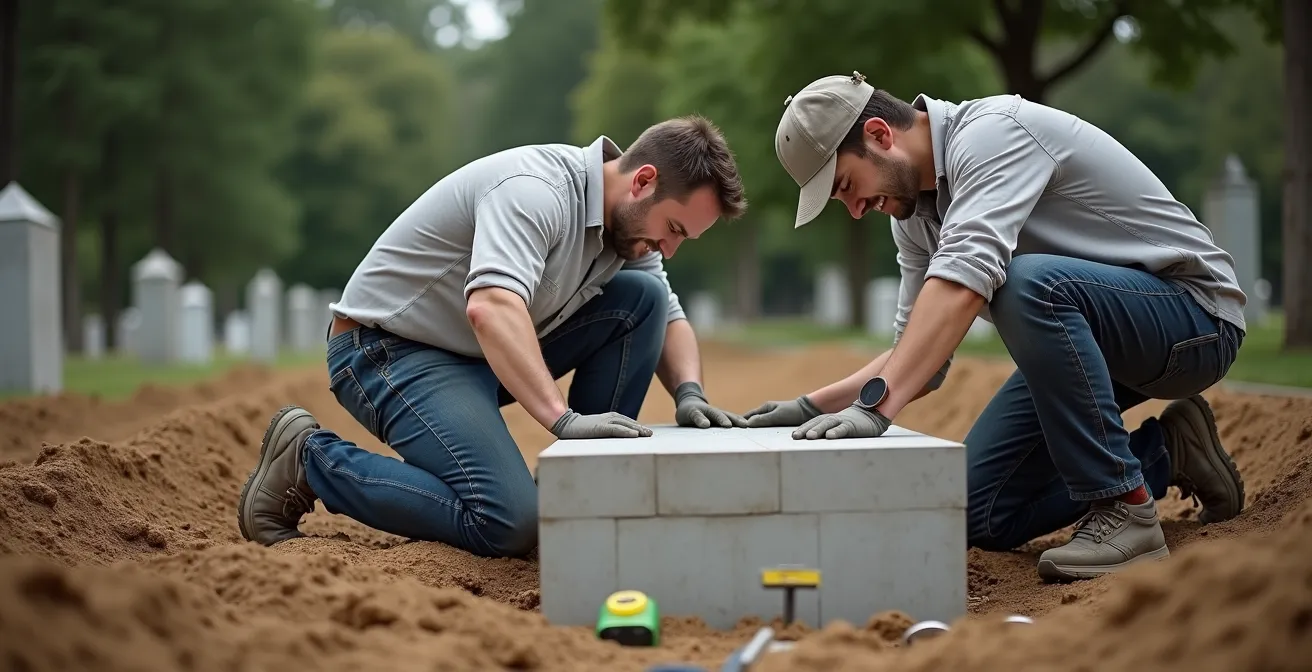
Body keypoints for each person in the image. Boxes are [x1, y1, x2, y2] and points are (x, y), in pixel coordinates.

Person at [745, 71, 1247, 582]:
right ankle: (1169, 451)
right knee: (976, 507)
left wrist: (875, 408)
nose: (854, 211)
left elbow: (967, 277)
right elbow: (918, 355)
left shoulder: (992, 134)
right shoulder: (914, 218)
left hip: (1194, 319)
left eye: (847, 186)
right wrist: (809, 406)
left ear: (879, 135)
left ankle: (1125, 507)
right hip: (1091, 341)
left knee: (1023, 283)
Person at [237, 116, 750, 559]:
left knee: (643, 299)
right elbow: (490, 306)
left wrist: (690, 394)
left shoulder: (631, 232)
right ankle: (311, 460)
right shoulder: (536, 189)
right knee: (509, 521)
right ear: (643, 181)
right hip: (389, 352)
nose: (669, 248)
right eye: (675, 230)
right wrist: (562, 420)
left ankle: (579, 496)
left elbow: (667, 311)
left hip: (474, 356)